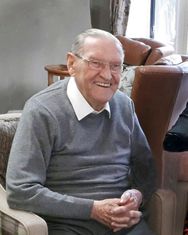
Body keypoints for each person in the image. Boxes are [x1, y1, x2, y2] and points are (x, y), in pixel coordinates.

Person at [6, 28, 156, 235]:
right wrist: (93, 210)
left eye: (116, 66)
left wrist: (136, 195)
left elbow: (146, 170)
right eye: (96, 63)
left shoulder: (125, 106)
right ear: (71, 64)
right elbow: (21, 191)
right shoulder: (42, 110)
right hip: (68, 226)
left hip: (125, 225)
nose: (107, 75)